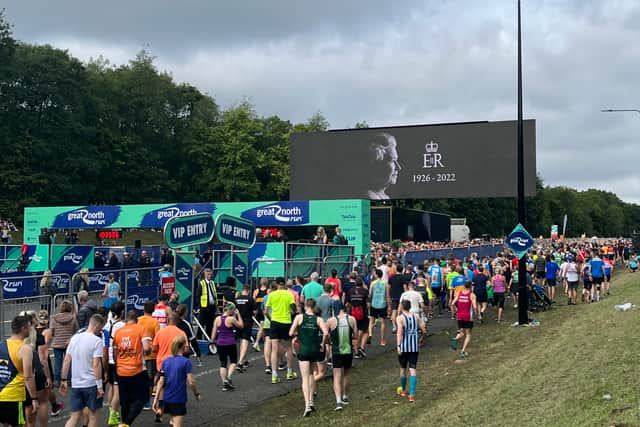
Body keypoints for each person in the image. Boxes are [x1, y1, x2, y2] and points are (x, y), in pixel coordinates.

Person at [59, 314, 106, 427]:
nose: (101, 330)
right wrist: (99, 386)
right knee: (93, 415)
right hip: (90, 383)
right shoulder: (97, 341)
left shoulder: (74, 338)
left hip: (76, 383)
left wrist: (63, 379)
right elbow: (96, 364)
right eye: (101, 327)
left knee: (74, 416)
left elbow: (66, 360)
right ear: (97, 325)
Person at [288, 299, 329, 417]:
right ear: (314, 306)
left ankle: (307, 405)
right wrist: (322, 343)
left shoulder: (299, 318)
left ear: (305, 306)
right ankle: (311, 401)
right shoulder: (319, 319)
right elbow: (326, 332)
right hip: (314, 350)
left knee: (305, 378)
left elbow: (291, 333)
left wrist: (297, 334)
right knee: (312, 374)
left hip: (303, 350)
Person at [113, 310, 152, 426]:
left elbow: (115, 353)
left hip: (121, 370)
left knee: (125, 402)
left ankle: (124, 423)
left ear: (125, 320)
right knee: (142, 398)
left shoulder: (118, 332)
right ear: (137, 319)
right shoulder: (141, 329)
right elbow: (146, 348)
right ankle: (127, 422)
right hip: (136, 369)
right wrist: (148, 351)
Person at [152, 336, 201, 427]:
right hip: (178, 398)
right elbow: (191, 382)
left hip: (167, 398)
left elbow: (161, 382)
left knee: (173, 422)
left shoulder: (166, 361)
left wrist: (156, 399)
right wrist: (196, 394)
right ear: (183, 346)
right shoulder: (186, 362)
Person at [0, 315, 38, 427]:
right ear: (23, 329)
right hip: (14, 396)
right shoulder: (25, 349)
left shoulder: (1, 345)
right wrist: (34, 398)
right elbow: (28, 376)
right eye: (29, 327)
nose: (30, 330)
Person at [151, 313, 188, 424]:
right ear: (177, 321)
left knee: (161, 386)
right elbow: (186, 349)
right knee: (174, 390)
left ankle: (159, 410)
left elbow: (154, 348)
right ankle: (172, 418)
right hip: (176, 364)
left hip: (162, 363)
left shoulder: (160, 332)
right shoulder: (181, 333)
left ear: (167, 320)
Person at [265, 278, 298, 384]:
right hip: (286, 322)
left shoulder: (272, 295)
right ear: (284, 284)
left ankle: (274, 375)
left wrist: (271, 319)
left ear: (276, 284)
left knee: (274, 349)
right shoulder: (289, 295)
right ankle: (289, 371)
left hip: (274, 322)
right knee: (288, 347)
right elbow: (294, 309)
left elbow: (265, 312)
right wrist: (289, 313)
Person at [395, 300, 426, 403]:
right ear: (410, 307)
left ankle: (404, 390)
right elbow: (424, 328)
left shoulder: (400, 318)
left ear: (402, 307)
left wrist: (398, 346)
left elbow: (399, 333)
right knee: (413, 369)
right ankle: (412, 394)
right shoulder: (416, 317)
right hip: (414, 347)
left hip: (404, 347)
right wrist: (422, 337)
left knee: (403, 368)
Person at [327, 302, 356, 411]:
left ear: (334, 309)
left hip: (336, 351)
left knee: (337, 375)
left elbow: (326, 335)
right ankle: (345, 396)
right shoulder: (352, 319)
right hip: (348, 351)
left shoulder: (331, 321)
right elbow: (356, 335)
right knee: (347, 374)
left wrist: (327, 342)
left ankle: (338, 401)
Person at [211, 303, 243, 391]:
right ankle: (228, 377)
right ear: (230, 310)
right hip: (230, 343)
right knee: (233, 362)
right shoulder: (231, 319)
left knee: (223, 363)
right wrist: (238, 315)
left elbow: (214, 332)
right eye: (233, 310)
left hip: (220, 343)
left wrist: (212, 341)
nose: (233, 312)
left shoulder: (217, 319)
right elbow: (241, 325)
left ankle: (224, 383)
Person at [104, 301, 126, 426]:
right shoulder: (121, 326)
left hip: (109, 359)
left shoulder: (108, 324)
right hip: (117, 359)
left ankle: (111, 411)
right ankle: (113, 414)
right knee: (117, 389)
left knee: (112, 387)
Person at [361, 132, 401, 200]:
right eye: (392, 160)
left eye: (396, 160)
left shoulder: (384, 197)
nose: (399, 167)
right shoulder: (370, 197)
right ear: (377, 164)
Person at [137, 301, 160, 411]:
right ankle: (147, 401)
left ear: (143, 309)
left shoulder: (138, 320)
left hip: (139, 352)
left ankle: (139, 398)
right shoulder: (155, 322)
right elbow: (157, 338)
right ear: (153, 310)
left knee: (140, 376)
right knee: (150, 378)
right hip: (151, 354)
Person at [51, 300, 79, 389]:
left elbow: (52, 331)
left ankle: (57, 380)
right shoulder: (73, 318)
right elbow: (76, 330)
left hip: (57, 343)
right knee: (69, 362)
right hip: (69, 343)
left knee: (58, 363)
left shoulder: (54, 318)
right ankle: (69, 380)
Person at [451, 281, 478, 359]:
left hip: (460, 316)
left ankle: (455, 338)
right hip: (468, 316)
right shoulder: (472, 295)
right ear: (470, 287)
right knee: (468, 334)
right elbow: (475, 306)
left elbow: (452, 303)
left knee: (462, 332)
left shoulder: (459, 293)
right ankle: (462, 351)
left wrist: (456, 310)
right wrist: (477, 314)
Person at [235, 286, 256, 372]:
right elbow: (254, 311)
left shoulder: (236, 299)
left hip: (238, 321)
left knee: (241, 341)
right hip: (247, 322)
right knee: (245, 340)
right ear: (248, 291)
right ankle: (240, 362)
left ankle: (244, 360)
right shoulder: (250, 299)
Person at [346, 277, 369, 359]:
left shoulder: (350, 291)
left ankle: (356, 351)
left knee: (354, 332)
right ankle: (361, 347)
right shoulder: (365, 291)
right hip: (362, 313)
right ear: (362, 283)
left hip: (353, 313)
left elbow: (347, 303)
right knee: (365, 331)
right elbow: (368, 303)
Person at [194, 269, 217, 339]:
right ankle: (199, 338)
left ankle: (208, 338)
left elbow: (214, 294)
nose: (210, 276)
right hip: (204, 307)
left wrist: (216, 305)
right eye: (208, 274)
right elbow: (198, 295)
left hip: (212, 307)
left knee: (210, 324)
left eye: (210, 274)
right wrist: (199, 306)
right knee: (201, 324)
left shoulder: (212, 283)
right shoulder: (202, 283)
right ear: (205, 275)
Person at [368, 269, 390, 346]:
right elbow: (387, 296)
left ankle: (370, 334)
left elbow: (370, 294)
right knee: (383, 322)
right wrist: (389, 306)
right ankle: (382, 340)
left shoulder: (372, 283)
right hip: (382, 304)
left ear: (377, 275)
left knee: (371, 321)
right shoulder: (386, 284)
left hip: (374, 303)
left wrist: (369, 303)